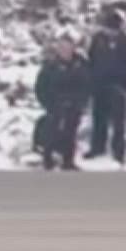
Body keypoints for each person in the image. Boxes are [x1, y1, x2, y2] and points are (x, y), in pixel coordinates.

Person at [85, 10, 126, 165]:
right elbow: (91, 60)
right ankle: (97, 147)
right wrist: (91, 81)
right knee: (98, 118)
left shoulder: (125, 42)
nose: (110, 31)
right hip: (99, 85)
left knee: (118, 122)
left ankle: (118, 150)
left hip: (118, 86)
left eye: (113, 28)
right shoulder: (97, 40)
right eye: (108, 28)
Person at [34, 37, 91, 171]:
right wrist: (47, 103)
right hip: (55, 104)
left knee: (70, 134)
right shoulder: (50, 66)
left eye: (68, 48)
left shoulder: (80, 64)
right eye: (62, 48)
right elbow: (41, 86)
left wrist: (81, 102)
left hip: (74, 104)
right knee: (51, 132)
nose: (65, 51)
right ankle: (48, 160)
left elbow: (87, 84)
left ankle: (68, 161)